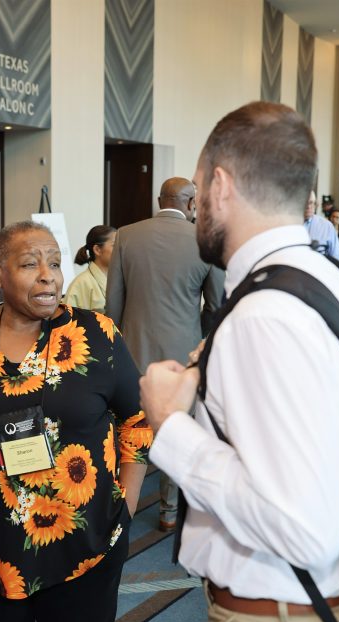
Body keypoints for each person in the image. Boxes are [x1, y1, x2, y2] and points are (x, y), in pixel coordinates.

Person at [140, 101, 339, 622]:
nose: (196, 210)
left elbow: (302, 528)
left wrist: (171, 427)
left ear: (220, 186)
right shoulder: (322, 278)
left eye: (197, 191)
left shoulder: (266, 314)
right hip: (302, 620)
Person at [0, 221, 152, 622]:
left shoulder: (96, 334)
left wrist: (127, 505)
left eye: (54, 263)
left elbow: (136, 421)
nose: (48, 275)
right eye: (30, 264)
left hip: (83, 548)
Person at [106, 176, 224, 532]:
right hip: (182, 355)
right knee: (176, 427)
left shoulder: (127, 235)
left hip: (132, 350)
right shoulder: (205, 240)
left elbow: (113, 302)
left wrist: (116, 347)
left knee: (128, 427)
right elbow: (215, 305)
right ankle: (169, 511)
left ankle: (118, 505)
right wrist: (195, 336)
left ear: (160, 200)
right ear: (191, 203)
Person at [64, 224, 116, 312]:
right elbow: (68, 318)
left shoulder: (119, 279)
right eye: (115, 245)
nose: (120, 249)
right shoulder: (80, 283)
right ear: (97, 250)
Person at [304, 189, 339, 263]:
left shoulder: (326, 226)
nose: (309, 206)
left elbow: (337, 260)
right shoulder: (288, 224)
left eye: (312, 203)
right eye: (306, 202)